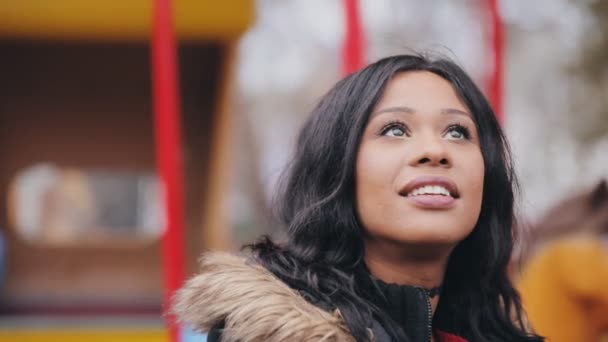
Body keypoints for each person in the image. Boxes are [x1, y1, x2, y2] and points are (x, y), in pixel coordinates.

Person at [173, 54, 544, 342]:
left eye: (458, 132)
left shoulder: (497, 329)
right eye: (395, 129)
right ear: (337, 168)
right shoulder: (265, 333)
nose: (435, 150)